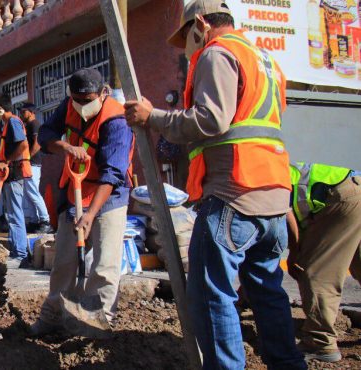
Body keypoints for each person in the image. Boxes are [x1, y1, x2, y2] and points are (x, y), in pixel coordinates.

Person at [123, 1, 306, 368]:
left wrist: (152, 116)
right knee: (267, 293)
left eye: (188, 38)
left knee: (211, 296)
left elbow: (212, 119)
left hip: (233, 192)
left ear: (201, 24)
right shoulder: (264, 60)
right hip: (272, 195)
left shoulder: (216, 53)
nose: (188, 49)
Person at [30, 68, 133, 335]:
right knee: (64, 259)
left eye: (89, 100)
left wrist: (91, 214)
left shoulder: (116, 121)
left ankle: (96, 322)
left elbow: (112, 174)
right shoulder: (68, 105)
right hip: (75, 189)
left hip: (109, 195)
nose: (83, 105)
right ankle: (54, 316)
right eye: (78, 99)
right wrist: (64, 147)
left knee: (103, 264)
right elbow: (45, 135)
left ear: (103, 93)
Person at [286, 162, 361, 363]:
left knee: (316, 273)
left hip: (340, 198)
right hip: (353, 188)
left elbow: (286, 214)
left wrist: (294, 252)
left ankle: (320, 343)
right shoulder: (273, 162)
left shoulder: (256, 177)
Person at [0, 93, 32, 268]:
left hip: (14, 173)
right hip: (8, 174)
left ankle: (20, 254)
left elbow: (22, 145)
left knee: (15, 214)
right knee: (11, 214)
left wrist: (7, 162)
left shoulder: (14, 122)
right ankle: (17, 251)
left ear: (0, 108)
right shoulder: (7, 124)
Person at [20, 103, 52, 234]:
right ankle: (34, 221)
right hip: (29, 163)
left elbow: (37, 144)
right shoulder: (28, 126)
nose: (22, 114)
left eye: (23, 111)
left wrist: (27, 158)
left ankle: (45, 221)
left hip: (33, 163)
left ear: (31, 112)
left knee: (33, 192)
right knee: (28, 193)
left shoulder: (35, 125)